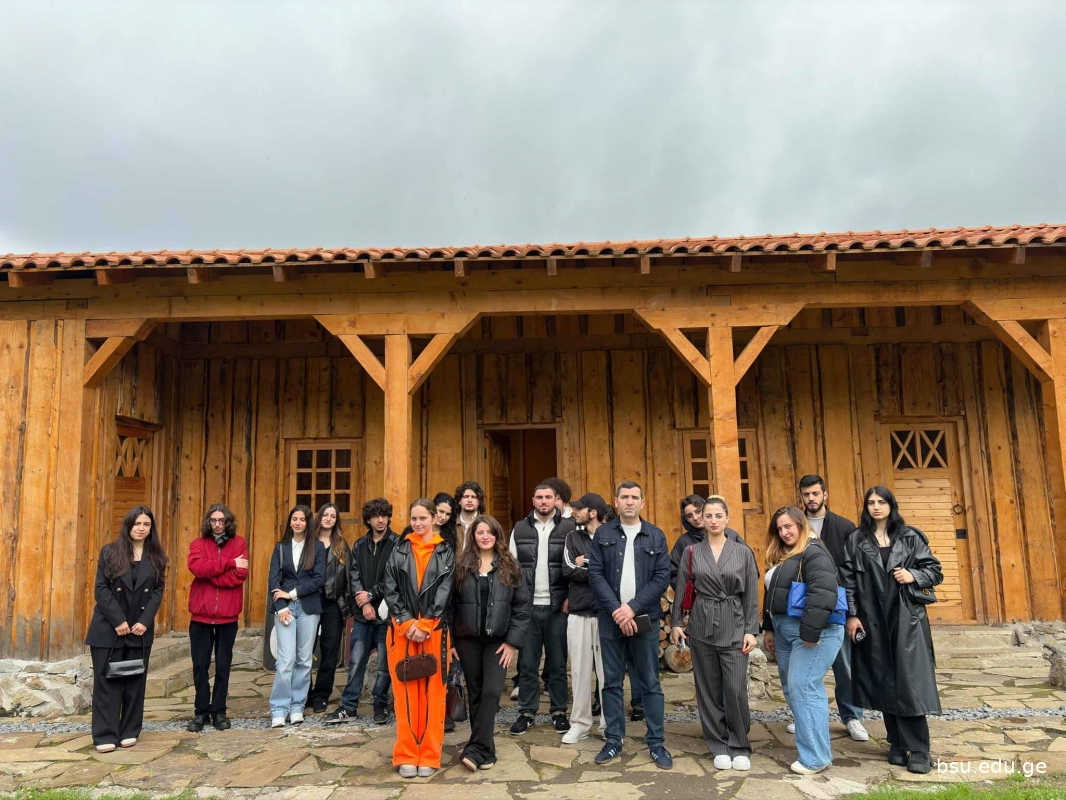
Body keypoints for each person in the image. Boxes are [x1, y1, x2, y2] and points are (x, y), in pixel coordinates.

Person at [841, 486, 944, 775]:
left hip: (906, 618)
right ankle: (896, 743)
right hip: (871, 617)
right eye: (871, 502)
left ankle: (919, 749)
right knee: (883, 678)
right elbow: (847, 581)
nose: (876, 507)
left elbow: (935, 571)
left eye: (881, 502)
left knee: (910, 682)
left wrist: (913, 574)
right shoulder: (856, 540)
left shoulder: (910, 537)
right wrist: (852, 615)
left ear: (891, 505)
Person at [588, 481, 673, 770]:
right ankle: (613, 739)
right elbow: (595, 573)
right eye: (624, 497)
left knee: (650, 681)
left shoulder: (655, 536)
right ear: (615, 502)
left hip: (644, 618)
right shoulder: (603, 534)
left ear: (642, 503)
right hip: (610, 618)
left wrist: (632, 608)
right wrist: (617, 610)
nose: (629, 501)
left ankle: (656, 742)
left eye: (635, 497)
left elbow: (661, 577)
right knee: (611, 681)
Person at [670, 496, 759, 770]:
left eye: (718, 515)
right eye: (708, 515)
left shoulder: (742, 552)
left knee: (735, 688)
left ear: (727, 518)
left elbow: (751, 594)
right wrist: (676, 623)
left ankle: (739, 743)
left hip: (734, 623)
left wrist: (751, 630)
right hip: (702, 623)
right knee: (707, 689)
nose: (713, 520)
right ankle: (718, 744)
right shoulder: (692, 551)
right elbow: (681, 587)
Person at [762, 506, 843, 775]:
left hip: (811, 632)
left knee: (804, 687)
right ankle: (813, 743)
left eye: (789, 526)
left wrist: (810, 632)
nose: (784, 532)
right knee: (792, 687)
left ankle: (816, 757)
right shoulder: (785, 555)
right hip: (785, 629)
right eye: (779, 528)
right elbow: (774, 595)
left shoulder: (813, 550)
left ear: (801, 524)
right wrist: (769, 628)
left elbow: (823, 592)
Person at [85, 505, 167, 752]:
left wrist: (145, 621)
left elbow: (157, 591)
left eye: (146, 524)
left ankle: (130, 730)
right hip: (108, 628)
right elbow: (101, 589)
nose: (141, 528)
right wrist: (119, 621)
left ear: (151, 528)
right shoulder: (110, 552)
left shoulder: (157, 556)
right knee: (106, 683)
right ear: (128, 525)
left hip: (139, 629)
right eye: (137, 523)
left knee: (135, 681)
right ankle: (105, 735)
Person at [383, 499, 455, 779]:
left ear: (435, 519)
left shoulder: (445, 551)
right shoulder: (399, 550)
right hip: (402, 631)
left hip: (433, 632)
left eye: (423, 518)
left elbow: (445, 591)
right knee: (405, 696)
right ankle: (406, 754)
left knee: (434, 695)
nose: (417, 523)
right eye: (414, 518)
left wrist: (425, 623)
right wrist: (407, 622)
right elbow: (390, 589)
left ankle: (429, 754)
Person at [453, 515, 531, 770]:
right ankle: (486, 752)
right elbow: (450, 606)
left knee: (492, 692)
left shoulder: (511, 567)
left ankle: (475, 749)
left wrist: (512, 642)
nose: (485, 536)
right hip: (467, 641)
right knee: (475, 693)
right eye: (480, 532)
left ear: (497, 535)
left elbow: (521, 608)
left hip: (498, 642)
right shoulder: (461, 566)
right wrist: (451, 641)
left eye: (490, 532)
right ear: (473, 536)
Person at [799, 475, 868, 742]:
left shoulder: (845, 527)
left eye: (815, 493)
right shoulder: (796, 525)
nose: (811, 498)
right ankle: (803, 716)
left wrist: (853, 612)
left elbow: (854, 572)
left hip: (839, 606)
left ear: (825, 495)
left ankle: (852, 717)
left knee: (845, 666)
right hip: (804, 605)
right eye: (806, 494)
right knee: (804, 667)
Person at [508, 482, 574, 735]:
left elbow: (574, 567)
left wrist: (571, 597)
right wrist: (517, 602)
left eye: (548, 497)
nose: (544, 501)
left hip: (558, 607)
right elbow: (511, 568)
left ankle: (559, 711)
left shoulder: (569, 528)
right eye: (539, 497)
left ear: (556, 500)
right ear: (533, 500)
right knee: (527, 664)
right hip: (529, 608)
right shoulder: (520, 528)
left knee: (557, 664)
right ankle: (526, 712)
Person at [329, 498, 399, 725]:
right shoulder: (359, 545)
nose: (381, 520)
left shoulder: (397, 543)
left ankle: (380, 705)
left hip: (387, 615)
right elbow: (353, 576)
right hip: (362, 615)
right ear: (368, 520)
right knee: (356, 662)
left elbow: (394, 577)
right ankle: (349, 707)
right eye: (376, 516)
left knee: (384, 666)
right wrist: (364, 604)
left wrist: (371, 595)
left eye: (384, 515)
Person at [186, 503, 248, 733]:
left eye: (222, 520)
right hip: (200, 617)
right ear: (208, 522)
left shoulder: (239, 543)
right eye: (214, 520)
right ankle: (201, 712)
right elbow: (197, 568)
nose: (218, 524)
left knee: (223, 666)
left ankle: (219, 712)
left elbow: (240, 575)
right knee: (200, 666)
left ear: (228, 522)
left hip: (227, 616)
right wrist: (229, 563)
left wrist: (210, 573)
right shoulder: (198, 544)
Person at [268, 505, 326, 728]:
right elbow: (273, 581)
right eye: (294, 519)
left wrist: (292, 593)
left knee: (304, 660)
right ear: (290, 522)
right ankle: (279, 708)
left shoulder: (317, 548)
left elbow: (318, 580)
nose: (298, 523)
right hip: (285, 609)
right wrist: (281, 606)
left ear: (308, 523)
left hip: (308, 608)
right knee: (285, 660)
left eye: (302, 519)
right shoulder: (280, 548)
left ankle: (297, 706)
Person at [561, 492, 609, 744]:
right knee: (579, 672)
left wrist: (587, 561)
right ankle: (579, 724)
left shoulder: (612, 536)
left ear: (592, 513)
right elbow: (568, 569)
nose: (574, 512)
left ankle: (610, 725)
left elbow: (614, 570)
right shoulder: (572, 537)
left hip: (606, 614)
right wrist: (598, 569)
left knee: (607, 673)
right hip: (579, 613)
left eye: (579, 509)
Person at [308, 503, 351, 714]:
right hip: (309, 601)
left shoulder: (341, 544)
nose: (328, 518)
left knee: (330, 650)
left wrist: (346, 605)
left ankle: (321, 695)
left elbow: (349, 576)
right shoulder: (309, 542)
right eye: (325, 514)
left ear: (336, 520)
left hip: (332, 603)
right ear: (319, 517)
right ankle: (304, 692)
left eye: (333, 516)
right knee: (305, 650)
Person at [669, 494, 752, 588]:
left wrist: (739, 589)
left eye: (698, 511)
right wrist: (692, 590)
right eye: (689, 516)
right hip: (701, 595)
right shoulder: (684, 542)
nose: (695, 518)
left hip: (732, 594)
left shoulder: (730, 535)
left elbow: (750, 567)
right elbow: (672, 572)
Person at [454, 481, 486, 545]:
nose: (469, 500)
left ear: (479, 502)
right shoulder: (451, 524)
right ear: (459, 501)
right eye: (466, 496)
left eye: (473, 497)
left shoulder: (487, 523)